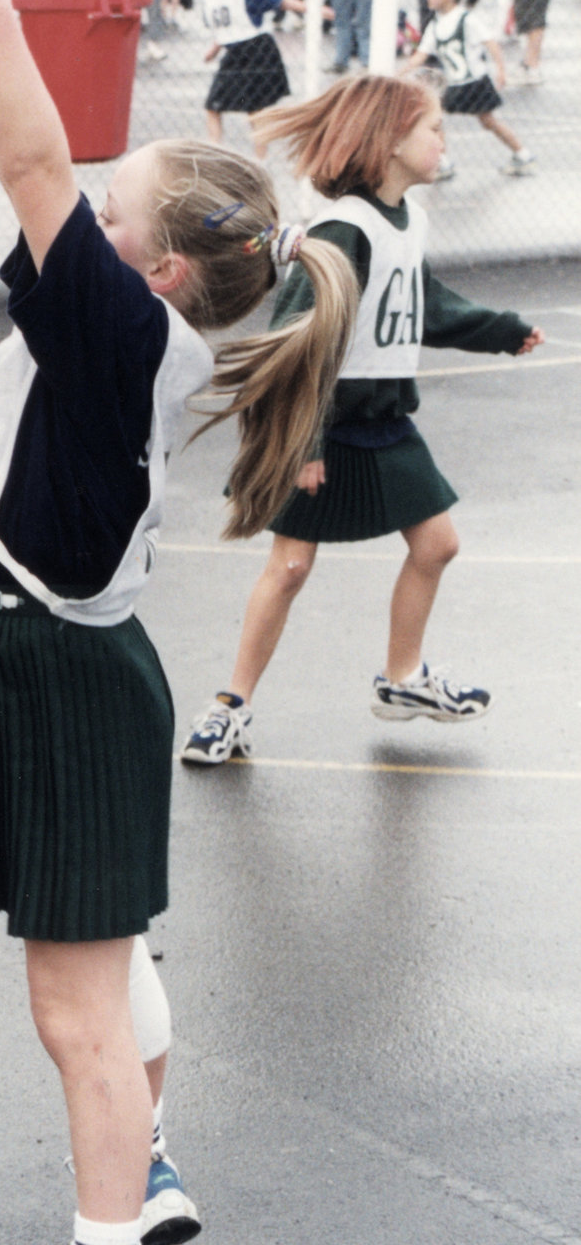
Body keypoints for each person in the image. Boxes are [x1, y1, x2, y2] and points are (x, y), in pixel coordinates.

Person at [0, 0, 364, 1245]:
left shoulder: (117, 331)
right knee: (101, 972)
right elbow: (25, 158)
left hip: (57, 667)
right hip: (53, 656)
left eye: (112, 218)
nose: (80, 225)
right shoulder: (119, 318)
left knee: (73, 1010)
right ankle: (141, 1166)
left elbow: (32, 164)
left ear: (153, 271)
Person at [180, 74, 543, 766]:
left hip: (384, 419)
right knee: (288, 567)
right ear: (390, 142)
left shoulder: (405, 220)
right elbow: (295, 339)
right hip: (320, 421)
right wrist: (302, 441)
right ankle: (228, 706)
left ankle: (401, 680)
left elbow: (425, 305)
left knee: (436, 544)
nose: (443, 138)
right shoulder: (342, 231)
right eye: (433, 127)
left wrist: (501, 330)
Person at [405, 0, 536, 177]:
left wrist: (500, 70)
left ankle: (522, 153)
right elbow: (420, 56)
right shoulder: (435, 24)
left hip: (474, 82)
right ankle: (443, 161)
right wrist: (398, 73)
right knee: (438, 119)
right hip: (455, 83)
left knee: (486, 121)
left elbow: (491, 44)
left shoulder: (466, 19)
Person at [198, 0, 323, 151]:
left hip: (257, 51)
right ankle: (216, 152)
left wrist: (317, 10)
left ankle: (260, 158)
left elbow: (282, 1)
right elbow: (227, 28)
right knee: (212, 107)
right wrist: (214, 50)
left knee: (254, 111)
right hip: (234, 53)